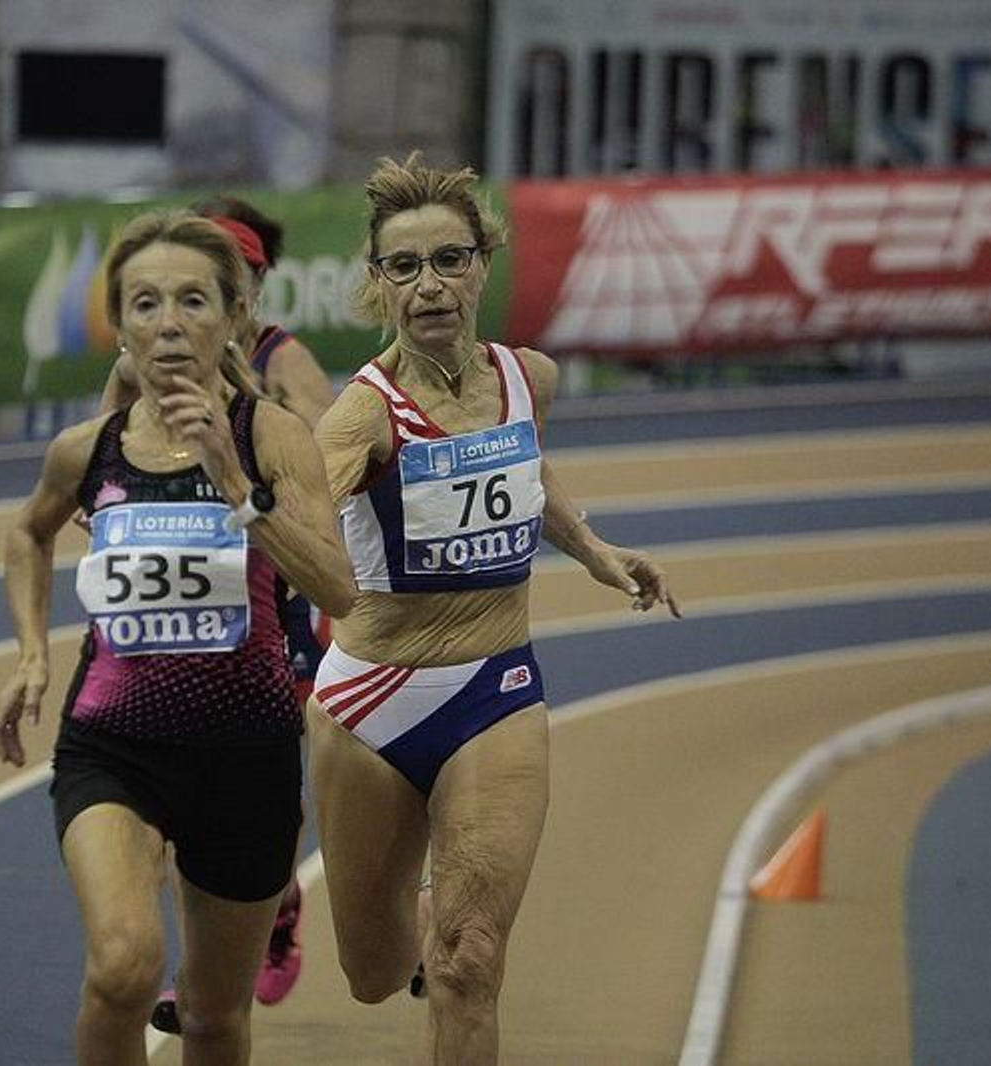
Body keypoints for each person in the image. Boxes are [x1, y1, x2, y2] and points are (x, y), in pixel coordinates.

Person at [308, 153, 681, 1063]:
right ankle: (422, 911)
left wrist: (593, 549)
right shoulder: (358, 420)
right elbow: (299, 544)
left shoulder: (528, 379)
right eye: (405, 267)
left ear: (483, 263)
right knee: (374, 970)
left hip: (495, 688)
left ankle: (453, 926)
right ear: (378, 283)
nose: (430, 285)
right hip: (368, 707)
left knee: (470, 962)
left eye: (449, 259)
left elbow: (518, 468)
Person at [0, 209, 355, 1065]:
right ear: (120, 326)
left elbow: (338, 586)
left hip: (247, 759)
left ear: (235, 316)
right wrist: (33, 655)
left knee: (214, 1017)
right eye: (145, 304)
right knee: (123, 966)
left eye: (193, 301)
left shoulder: (272, 438)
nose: (168, 325)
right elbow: (27, 534)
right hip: (113, 748)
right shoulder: (88, 450)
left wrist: (235, 485)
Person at [99, 196, 334, 1020]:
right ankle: (197, 966)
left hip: (276, 593)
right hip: (171, 616)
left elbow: (334, 457)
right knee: (160, 804)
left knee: (270, 780)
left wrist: (254, 435)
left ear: (250, 291)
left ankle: (273, 909)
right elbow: (102, 467)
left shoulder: (283, 359)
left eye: (222, 283)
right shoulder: (141, 366)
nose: (179, 313)